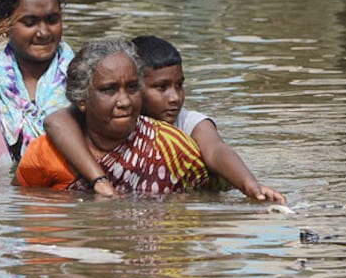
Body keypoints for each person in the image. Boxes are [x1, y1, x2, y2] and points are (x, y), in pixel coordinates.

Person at [43, 35, 286, 202]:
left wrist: (249, 185)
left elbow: (216, 150)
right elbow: (56, 121)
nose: (174, 98)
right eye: (161, 88)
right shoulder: (104, 116)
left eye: (179, 86)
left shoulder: (186, 124)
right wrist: (99, 180)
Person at [15, 37, 213, 194]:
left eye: (132, 87)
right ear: (82, 100)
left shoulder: (172, 148)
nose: (125, 101)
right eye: (109, 90)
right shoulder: (46, 153)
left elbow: (206, 199)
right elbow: (22, 206)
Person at [0, 0, 74, 162]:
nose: (43, 32)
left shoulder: (82, 76)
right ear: (4, 26)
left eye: (52, 20)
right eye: (29, 23)